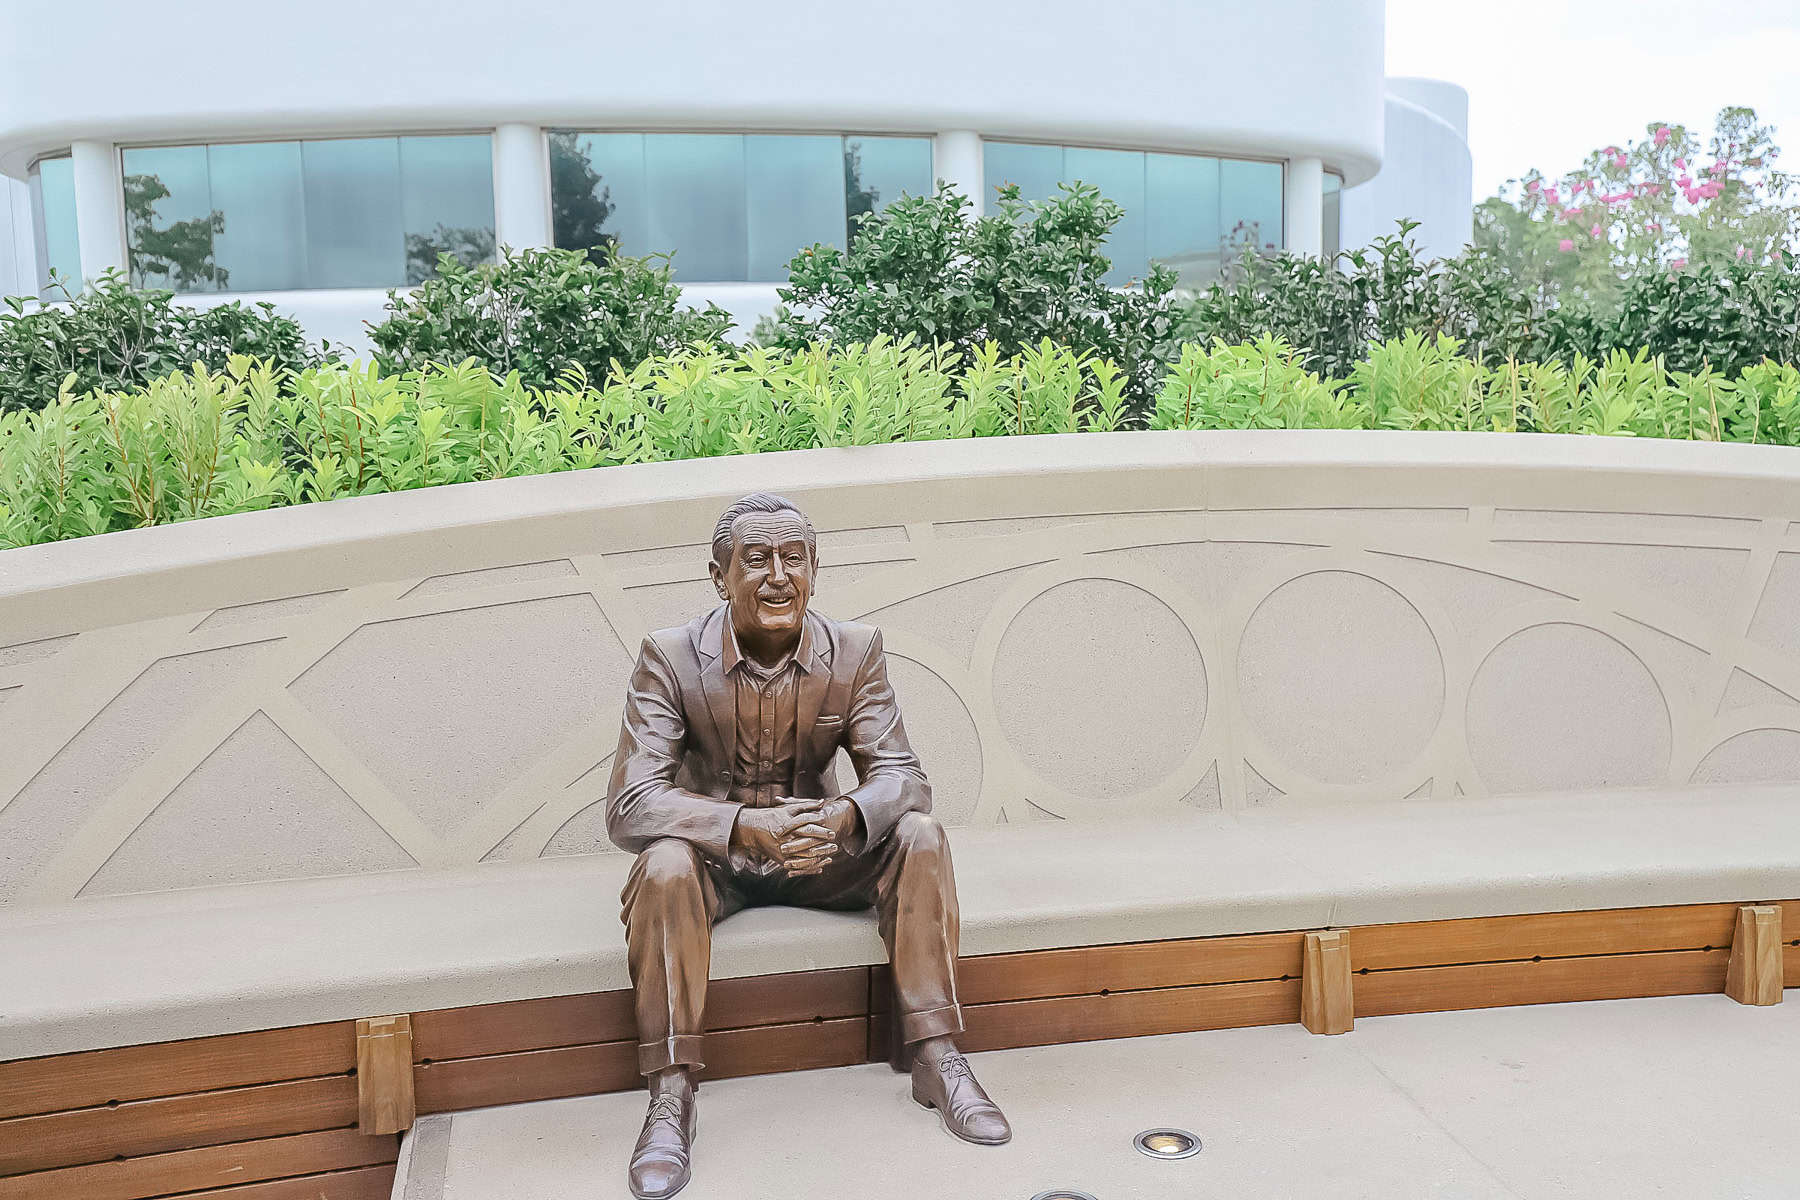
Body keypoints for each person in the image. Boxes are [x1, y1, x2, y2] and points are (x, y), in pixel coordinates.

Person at [606, 492, 1010, 1198]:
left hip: (819, 857)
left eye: (794, 558)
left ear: (815, 571)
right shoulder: (668, 658)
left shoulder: (855, 651)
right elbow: (631, 804)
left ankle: (937, 1056)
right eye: (756, 559)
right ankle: (671, 1091)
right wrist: (739, 826)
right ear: (718, 575)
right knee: (662, 862)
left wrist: (846, 819)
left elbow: (904, 777)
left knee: (919, 834)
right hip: (718, 863)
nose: (777, 576)